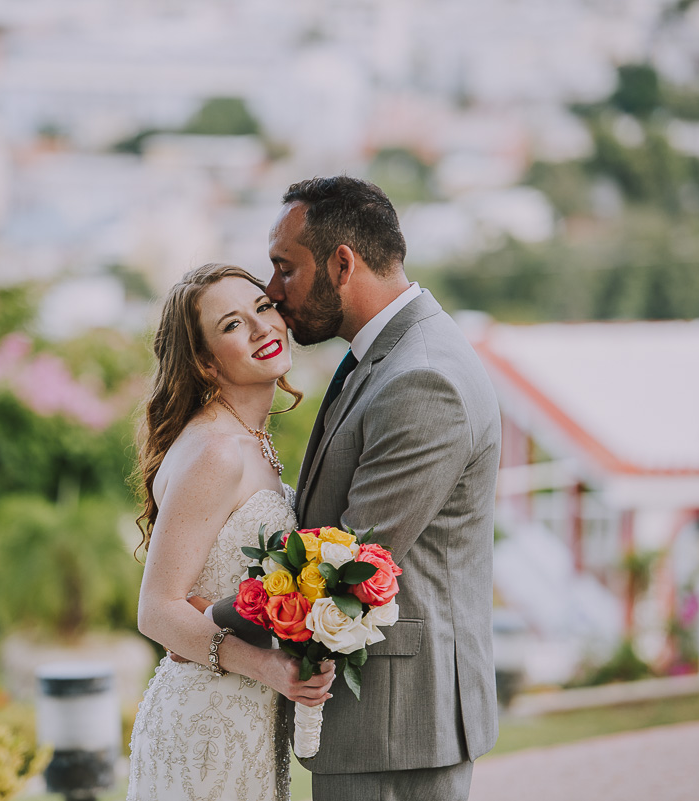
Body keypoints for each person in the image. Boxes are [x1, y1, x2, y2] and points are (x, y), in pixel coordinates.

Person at [209, 176, 502, 801]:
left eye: (285, 268)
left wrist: (202, 629)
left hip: (397, 724)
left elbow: (345, 564)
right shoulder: (387, 355)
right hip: (379, 724)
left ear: (343, 263)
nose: (272, 290)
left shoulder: (422, 379)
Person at [126, 263, 338, 801]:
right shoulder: (218, 451)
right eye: (232, 325)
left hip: (250, 719)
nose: (263, 328)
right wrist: (270, 667)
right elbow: (157, 609)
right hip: (208, 726)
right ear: (204, 361)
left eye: (263, 308)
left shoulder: (253, 441)